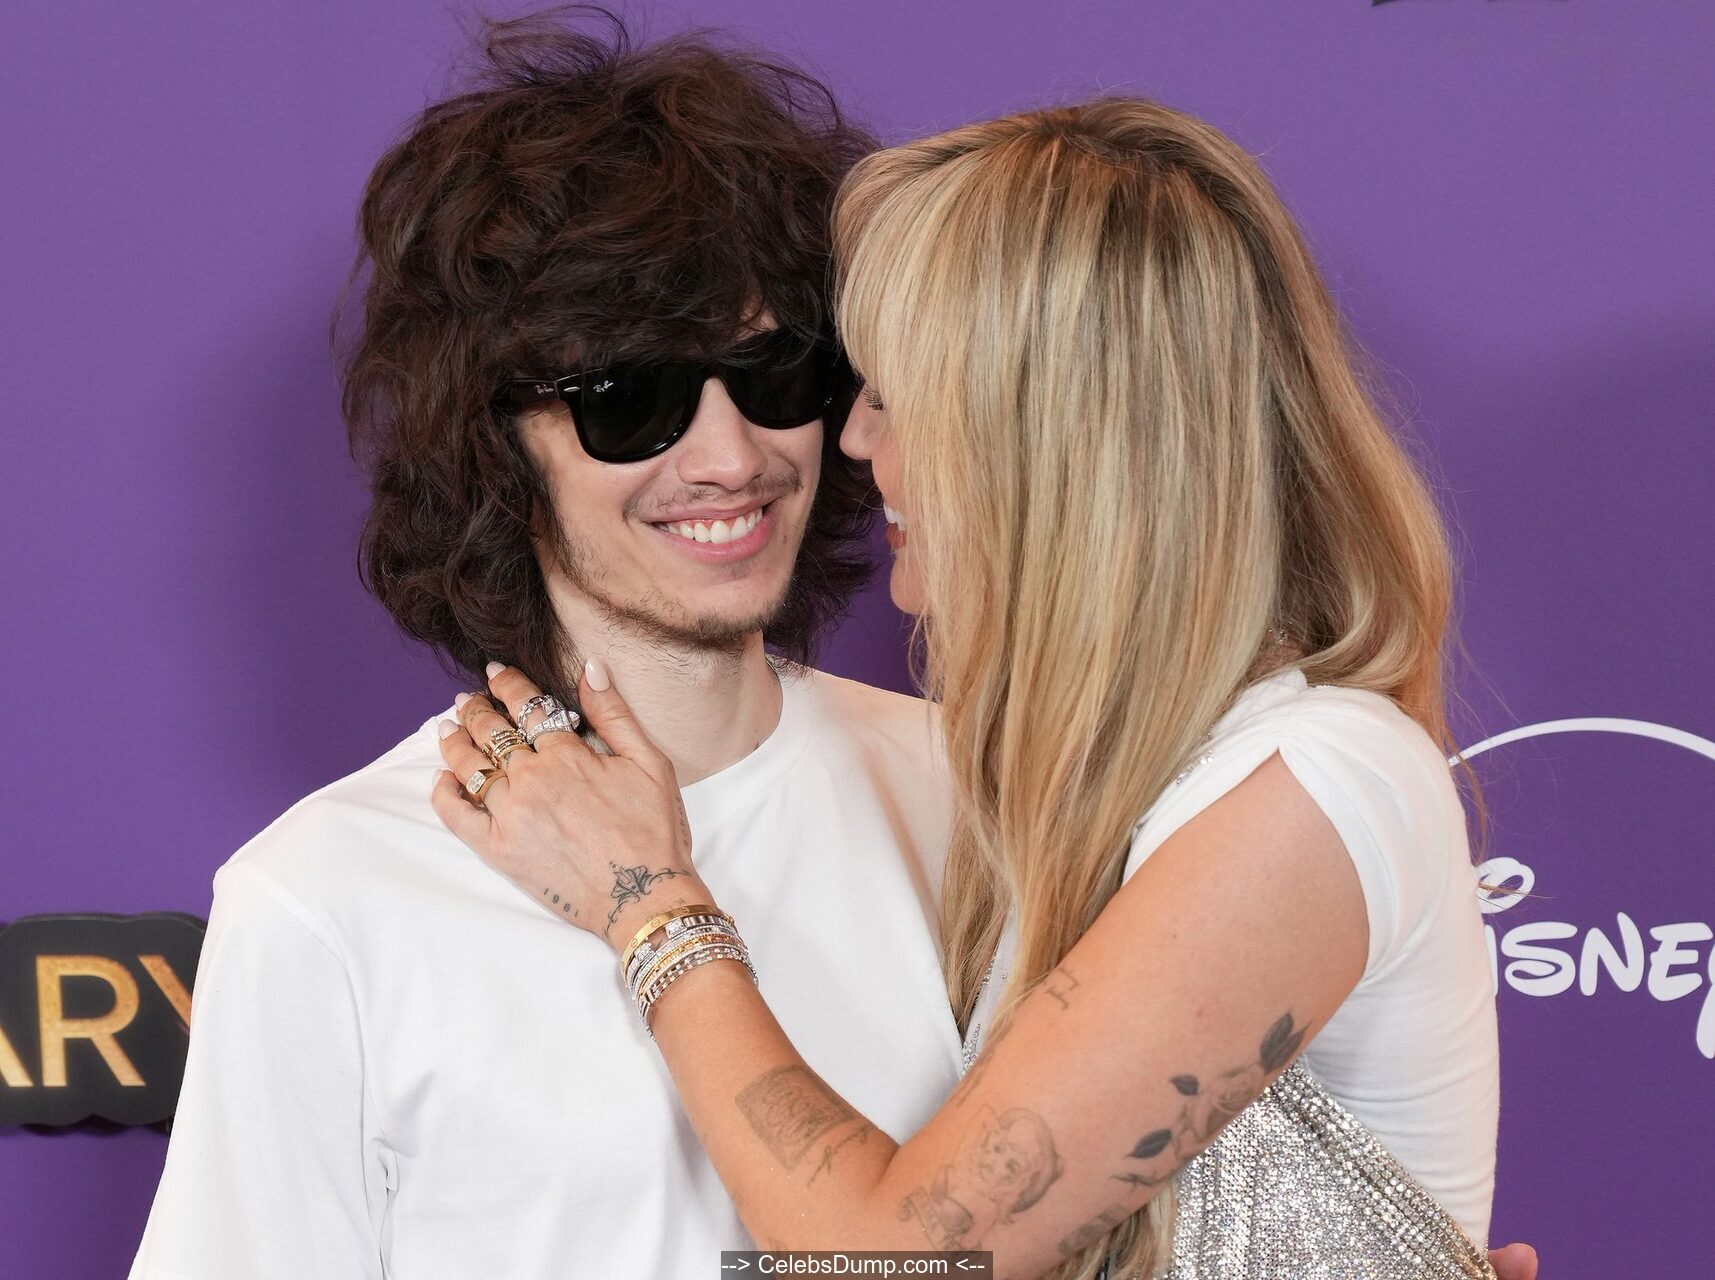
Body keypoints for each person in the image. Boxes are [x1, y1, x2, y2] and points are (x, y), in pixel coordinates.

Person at [438, 97, 1536, 1278]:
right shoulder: (1085, 794)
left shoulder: (1316, 780)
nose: (852, 439)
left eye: (893, 393)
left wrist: (647, 898)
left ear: (1039, 444)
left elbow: (882, 1257)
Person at [128, 16, 967, 1279]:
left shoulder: (978, 795)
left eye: (774, 373)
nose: (730, 456)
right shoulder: (327, 895)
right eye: (631, 399)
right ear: (494, 444)